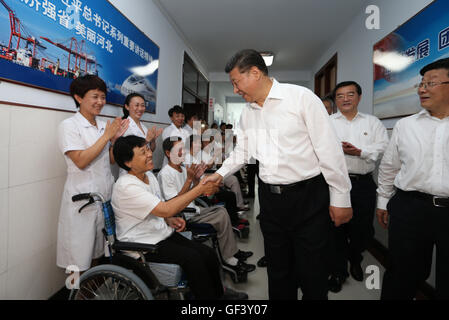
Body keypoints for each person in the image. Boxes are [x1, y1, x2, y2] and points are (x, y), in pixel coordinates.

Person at [202, 49, 352, 300]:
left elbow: (329, 150)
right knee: (279, 270)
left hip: (308, 198)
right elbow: (244, 150)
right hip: (271, 201)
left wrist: (341, 198)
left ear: (255, 73)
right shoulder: (248, 112)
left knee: (312, 271)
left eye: (236, 82)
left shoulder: (301, 99)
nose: (236, 90)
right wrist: (220, 174)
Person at [111, 135, 248, 300]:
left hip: (160, 234)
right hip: (142, 244)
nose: (149, 154)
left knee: (207, 253)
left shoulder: (149, 176)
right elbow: (166, 208)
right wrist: (200, 189)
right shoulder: (127, 186)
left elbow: (158, 207)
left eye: (148, 149)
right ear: (128, 162)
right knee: (194, 258)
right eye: (142, 152)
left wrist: (169, 220)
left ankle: (219, 294)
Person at [376, 57, 449, 300]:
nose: (421, 89)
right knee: (401, 273)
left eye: (431, 83)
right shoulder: (406, 126)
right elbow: (389, 166)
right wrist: (383, 201)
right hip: (410, 207)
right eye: (421, 83)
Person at [57, 75, 129, 272]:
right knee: (76, 259)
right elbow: (81, 161)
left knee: (99, 253)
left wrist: (114, 142)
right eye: (95, 97)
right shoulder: (69, 126)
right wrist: (107, 136)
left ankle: (91, 290)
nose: (100, 102)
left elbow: (110, 160)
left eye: (103, 97)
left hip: (103, 198)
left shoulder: (103, 126)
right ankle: (73, 292)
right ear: (79, 98)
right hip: (82, 202)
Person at [157, 137, 255, 273]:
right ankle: (229, 259)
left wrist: (196, 180)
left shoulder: (185, 169)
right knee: (221, 215)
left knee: (222, 210)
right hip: (184, 215)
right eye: (179, 150)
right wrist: (190, 180)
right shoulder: (165, 174)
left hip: (195, 208)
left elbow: (193, 193)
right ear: (168, 153)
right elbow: (174, 204)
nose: (183, 152)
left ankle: (232, 252)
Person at [328, 81, 389, 293]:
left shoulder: (372, 122)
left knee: (362, 229)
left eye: (350, 94)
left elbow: (383, 146)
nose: (345, 99)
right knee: (335, 228)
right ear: (335, 100)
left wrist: (360, 152)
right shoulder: (327, 122)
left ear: (359, 97)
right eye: (340, 96)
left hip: (363, 184)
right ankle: (337, 270)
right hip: (335, 184)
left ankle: (354, 258)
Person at [119, 93, 162, 176]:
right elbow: (128, 153)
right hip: (131, 172)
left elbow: (150, 150)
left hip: (145, 170)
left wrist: (152, 141)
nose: (140, 108)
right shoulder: (124, 126)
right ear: (127, 107)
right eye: (137, 105)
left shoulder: (144, 127)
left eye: (142, 105)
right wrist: (146, 140)